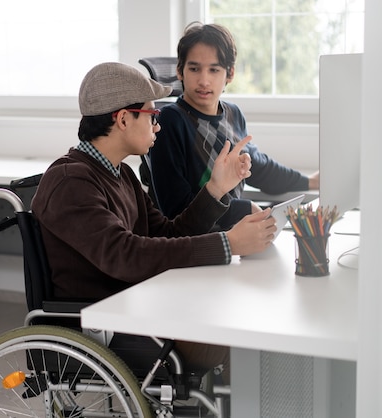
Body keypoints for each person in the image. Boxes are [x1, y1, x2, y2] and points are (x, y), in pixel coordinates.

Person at [30, 62, 277, 382]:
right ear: (122, 119)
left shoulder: (121, 174)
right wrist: (228, 243)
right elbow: (126, 255)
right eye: (152, 116)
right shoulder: (70, 182)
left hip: (140, 307)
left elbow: (168, 233)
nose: (158, 126)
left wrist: (216, 188)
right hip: (108, 325)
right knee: (240, 340)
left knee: (242, 320)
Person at [149, 22, 320, 230]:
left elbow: (260, 167)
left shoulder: (233, 114)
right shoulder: (170, 121)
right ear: (180, 71)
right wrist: (244, 209)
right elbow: (177, 210)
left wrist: (309, 182)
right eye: (194, 68)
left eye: (214, 70)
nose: (203, 80)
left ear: (229, 74)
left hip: (234, 235)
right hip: (197, 245)